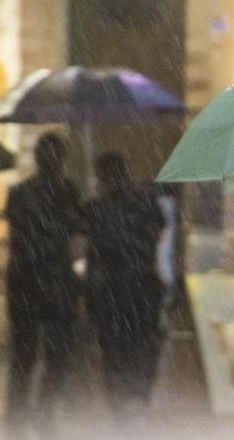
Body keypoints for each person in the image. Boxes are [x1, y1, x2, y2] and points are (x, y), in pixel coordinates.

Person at [3, 132, 82, 440]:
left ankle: (23, 416)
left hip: (31, 281)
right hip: (48, 281)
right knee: (50, 354)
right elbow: (74, 235)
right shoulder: (64, 192)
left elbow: (20, 236)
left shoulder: (22, 193)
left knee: (30, 355)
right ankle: (37, 414)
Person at [79, 153, 166, 423]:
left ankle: (121, 403)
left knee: (115, 350)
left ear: (101, 176)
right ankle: (138, 398)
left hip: (112, 291)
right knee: (142, 345)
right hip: (141, 288)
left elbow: (90, 251)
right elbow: (158, 235)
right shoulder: (147, 203)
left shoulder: (94, 209)